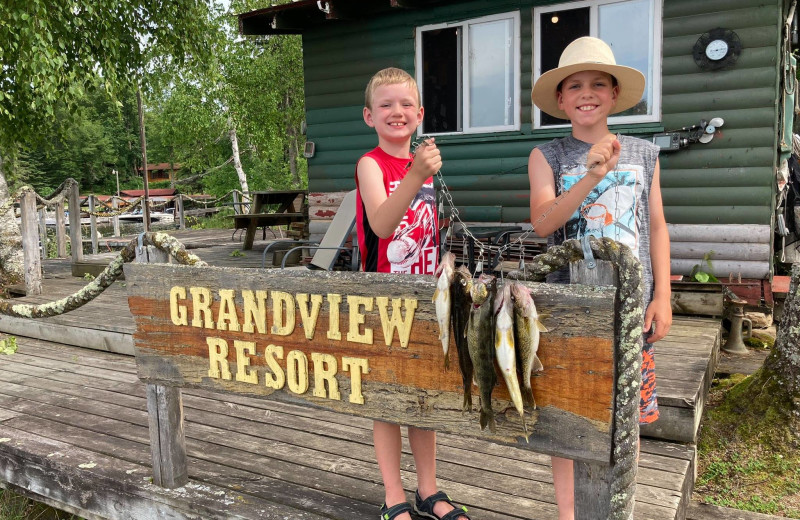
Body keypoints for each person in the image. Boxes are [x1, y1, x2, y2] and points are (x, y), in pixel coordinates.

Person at [528, 37, 672, 519]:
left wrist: (663, 295)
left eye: (597, 84)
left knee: (625, 416)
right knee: (570, 417)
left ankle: (617, 508)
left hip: (631, 310)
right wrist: (590, 176)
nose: (586, 93)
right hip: (569, 310)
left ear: (613, 94)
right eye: (575, 86)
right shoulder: (546, 156)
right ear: (562, 100)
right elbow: (544, 223)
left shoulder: (645, 154)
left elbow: (657, 226)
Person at [355, 67, 471, 520]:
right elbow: (383, 225)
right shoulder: (371, 164)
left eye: (406, 104)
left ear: (420, 114)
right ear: (369, 116)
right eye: (385, 105)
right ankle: (392, 496)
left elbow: (432, 231)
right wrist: (414, 173)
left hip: (427, 299)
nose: (396, 112)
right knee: (387, 399)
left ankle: (429, 490)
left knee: (423, 398)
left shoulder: (429, 167)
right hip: (383, 300)